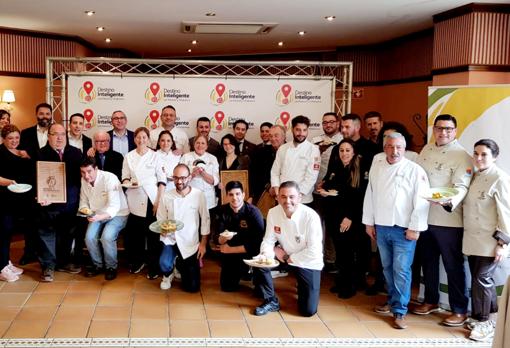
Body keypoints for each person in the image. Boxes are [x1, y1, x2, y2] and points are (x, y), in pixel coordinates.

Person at [362, 132, 429, 329]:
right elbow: (370, 194)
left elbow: (422, 201)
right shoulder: (378, 166)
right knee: (387, 268)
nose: (394, 151)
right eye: (390, 147)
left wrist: (415, 227)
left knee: (401, 270)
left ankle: (400, 311)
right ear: (385, 148)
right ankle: (392, 301)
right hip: (382, 226)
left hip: (404, 229)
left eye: (399, 147)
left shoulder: (415, 170)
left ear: (405, 149)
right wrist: (369, 222)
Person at [413, 114, 471, 326]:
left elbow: (461, 187)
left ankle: (459, 309)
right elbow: (417, 177)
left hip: (449, 220)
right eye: (439, 128)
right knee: (428, 263)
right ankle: (431, 300)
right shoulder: (427, 149)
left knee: (453, 266)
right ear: (433, 129)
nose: (443, 132)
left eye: (448, 129)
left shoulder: (462, 155)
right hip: (424, 216)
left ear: (455, 131)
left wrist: (447, 200)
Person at [462, 139, 510, 342]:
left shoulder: (500, 178)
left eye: (484, 154)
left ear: (495, 156)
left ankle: (485, 323)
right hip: (473, 238)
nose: (479, 158)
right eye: (476, 153)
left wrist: (502, 244)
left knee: (482, 280)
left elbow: (506, 213)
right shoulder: (475, 175)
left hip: (490, 241)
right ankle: (484, 318)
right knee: (479, 280)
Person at [253, 181, 323, 317]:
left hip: (307, 262)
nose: (287, 201)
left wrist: (286, 257)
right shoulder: (273, 213)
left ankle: (303, 286)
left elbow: (313, 251)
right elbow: (268, 240)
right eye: (283, 197)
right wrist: (266, 256)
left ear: (299, 198)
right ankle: (270, 300)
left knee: (308, 311)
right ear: (277, 198)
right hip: (284, 256)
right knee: (260, 263)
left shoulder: (311, 216)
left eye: (292, 197)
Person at [320, 138, 369, 297]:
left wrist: (349, 217)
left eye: (348, 150)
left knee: (349, 252)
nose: (344, 153)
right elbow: (328, 183)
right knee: (340, 252)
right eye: (342, 150)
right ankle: (342, 281)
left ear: (353, 152)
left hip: (349, 218)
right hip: (334, 215)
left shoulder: (359, 169)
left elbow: (359, 197)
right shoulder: (336, 167)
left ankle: (350, 286)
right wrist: (323, 189)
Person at [36, 123, 83, 282]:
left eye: (62, 134)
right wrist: (39, 195)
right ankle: (48, 266)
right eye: (55, 134)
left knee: (67, 234)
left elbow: (81, 179)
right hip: (47, 204)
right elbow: (34, 180)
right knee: (47, 234)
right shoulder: (40, 154)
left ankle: (62, 262)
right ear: (48, 136)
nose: (59, 138)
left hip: (70, 203)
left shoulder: (76, 153)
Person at [122, 127, 166, 279]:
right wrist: (129, 182)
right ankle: (138, 262)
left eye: (144, 137)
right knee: (137, 235)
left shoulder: (155, 156)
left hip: (151, 198)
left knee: (153, 234)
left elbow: (162, 180)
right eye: (138, 137)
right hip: (134, 198)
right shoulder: (128, 156)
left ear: (148, 139)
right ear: (134, 139)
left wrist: (158, 201)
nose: (141, 140)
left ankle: (154, 266)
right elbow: (125, 177)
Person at [158, 164, 209, 292]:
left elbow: (205, 220)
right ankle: (167, 274)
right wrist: (163, 229)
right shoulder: (167, 196)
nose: (179, 181)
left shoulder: (199, 195)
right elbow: (160, 218)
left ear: (189, 177)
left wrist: (203, 244)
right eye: (176, 178)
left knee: (192, 288)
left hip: (189, 242)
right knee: (164, 263)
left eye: (183, 178)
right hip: (171, 239)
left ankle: (179, 265)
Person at [80, 157, 129, 281]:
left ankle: (111, 267)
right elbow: (83, 201)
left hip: (118, 213)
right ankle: (98, 265)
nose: (86, 176)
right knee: (89, 238)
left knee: (107, 237)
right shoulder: (84, 180)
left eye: (89, 171)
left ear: (96, 169)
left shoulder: (109, 178)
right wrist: (85, 210)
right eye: (83, 172)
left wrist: (99, 217)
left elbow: (114, 205)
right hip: (97, 214)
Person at [215, 181, 264, 292]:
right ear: (226, 196)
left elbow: (258, 243)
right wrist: (222, 239)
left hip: (250, 252)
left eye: (237, 194)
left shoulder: (253, 212)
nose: (234, 198)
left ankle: (250, 273)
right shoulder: (222, 211)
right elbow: (216, 237)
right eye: (231, 194)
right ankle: (240, 273)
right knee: (227, 287)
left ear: (243, 194)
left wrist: (230, 250)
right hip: (230, 252)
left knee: (260, 292)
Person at [0, 125, 33, 282]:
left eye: (17, 138)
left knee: (8, 233)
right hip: (2, 199)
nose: (14, 141)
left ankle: (6, 262)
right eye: (10, 138)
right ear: (4, 139)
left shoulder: (20, 152)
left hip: (15, 200)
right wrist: (8, 182)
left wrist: (26, 157)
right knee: (2, 232)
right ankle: (1, 269)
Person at [312, 112, 342, 273]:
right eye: (325, 122)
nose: (328, 125)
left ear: (338, 123)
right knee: (315, 227)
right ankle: (316, 256)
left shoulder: (342, 141)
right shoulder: (315, 140)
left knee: (331, 228)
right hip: (314, 192)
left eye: (331, 122)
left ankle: (331, 259)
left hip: (331, 192)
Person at [270, 115, 320, 205]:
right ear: (292, 129)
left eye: (304, 130)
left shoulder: (313, 149)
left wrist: (295, 196)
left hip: (303, 200)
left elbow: (311, 177)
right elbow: (275, 172)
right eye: (298, 130)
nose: (301, 133)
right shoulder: (283, 148)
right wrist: (278, 193)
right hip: (282, 199)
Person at [180, 135, 220, 210]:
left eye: (203, 143)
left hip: (208, 199)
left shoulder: (213, 158)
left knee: (207, 221)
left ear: (207, 146)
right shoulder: (185, 157)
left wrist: (202, 173)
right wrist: (192, 175)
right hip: (190, 197)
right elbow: (181, 180)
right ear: (194, 144)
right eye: (197, 143)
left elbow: (215, 181)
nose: (200, 145)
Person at [250, 125, 286, 204]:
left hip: (287, 194)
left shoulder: (292, 152)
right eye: (271, 136)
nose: (273, 139)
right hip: (267, 194)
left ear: (284, 136)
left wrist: (278, 187)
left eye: (276, 136)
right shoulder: (261, 152)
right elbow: (257, 174)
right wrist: (269, 187)